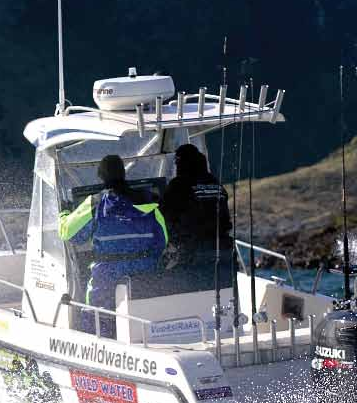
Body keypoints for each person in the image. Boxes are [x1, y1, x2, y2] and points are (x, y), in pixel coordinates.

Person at [59, 155, 168, 338]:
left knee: (97, 317)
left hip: (107, 273)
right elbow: (162, 240)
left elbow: (70, 234)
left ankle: (99, 349)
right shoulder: (150, 202)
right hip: (144, 271)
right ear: (124, 173)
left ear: (101, 175)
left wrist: (64, 213)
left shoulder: (95, 203)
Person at [160, 143, 232, 291]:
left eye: (177, 161)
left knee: (161, 274)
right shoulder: (216, 183)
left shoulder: (179, 184)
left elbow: (164, 215)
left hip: (193, 252)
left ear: (181, 162)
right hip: (223, 250)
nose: (176, 165)